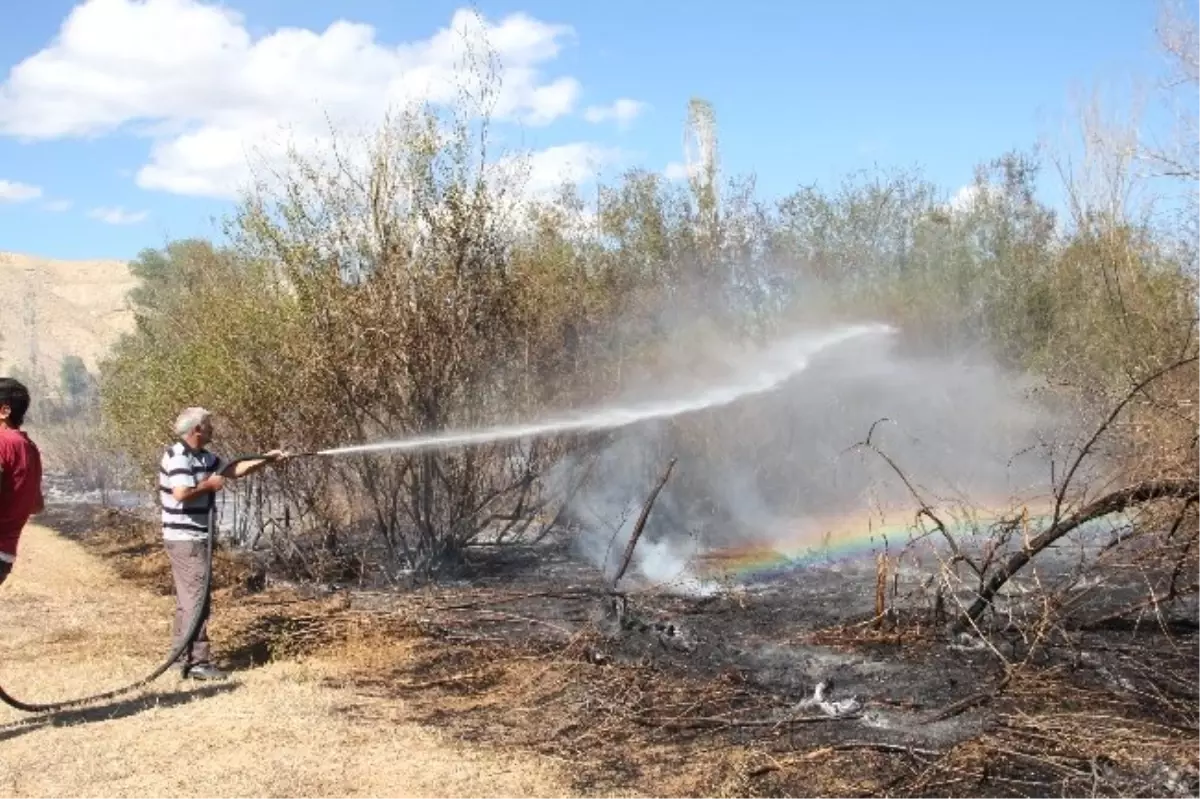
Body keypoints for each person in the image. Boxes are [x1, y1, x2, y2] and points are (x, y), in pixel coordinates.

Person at [160, 406, 288, 680]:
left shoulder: (203, 457)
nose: (213, 429)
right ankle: (197, 663)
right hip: (186, 540)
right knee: (197, 599)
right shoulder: (178, 457)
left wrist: (266, 459)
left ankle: (180, 657)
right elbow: (181, 493)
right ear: (196, 430)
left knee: (189, 600)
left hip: (194, 538)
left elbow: (233, 469)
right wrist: (208, 486)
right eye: (208, 425)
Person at [0, 378, 44, 588]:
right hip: (5, 556)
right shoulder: (30, 448)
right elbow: (36, 505)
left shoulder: (2, 442)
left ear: (4, 410)